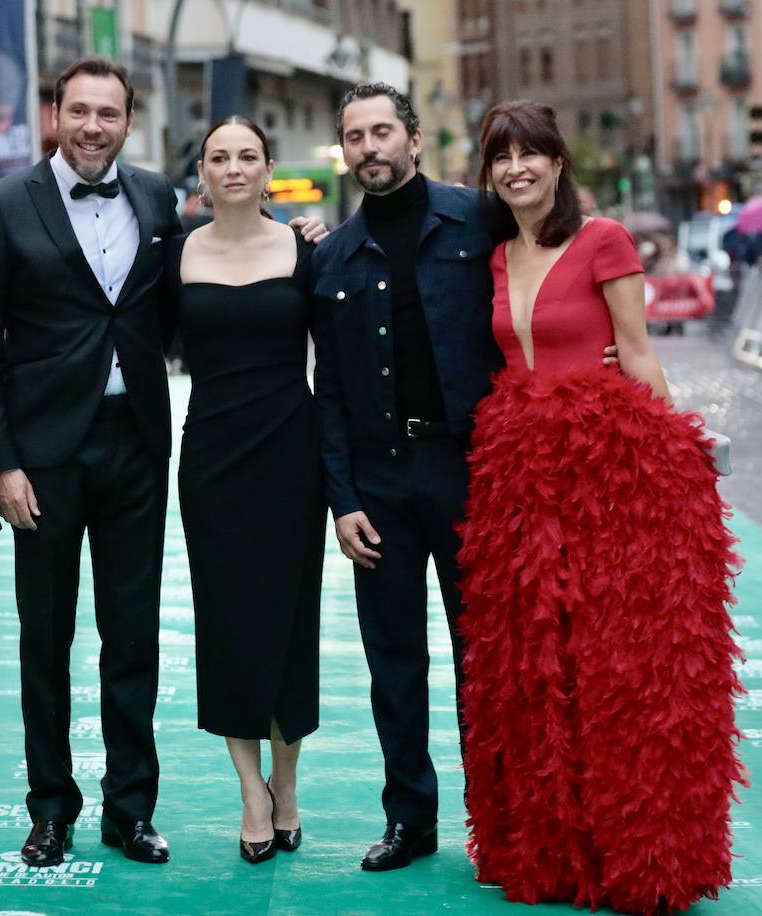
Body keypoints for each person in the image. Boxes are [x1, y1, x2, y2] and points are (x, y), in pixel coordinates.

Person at [0, 57, 323, 870]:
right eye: (79, 111)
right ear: (56, 116)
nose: (93, 127)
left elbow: (194, 295)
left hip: (138, 443)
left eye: (109, 114)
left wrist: (303, 235)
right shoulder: (4, 202)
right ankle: (50, 810)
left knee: (132, 636)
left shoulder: (157, 198)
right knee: (45, 637)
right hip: (43, 456)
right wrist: (1, 461)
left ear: (129, 122)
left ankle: (130, 810)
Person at [455, 100, 742, 914]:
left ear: (557, 162)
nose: (516, 169)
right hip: (519, 474)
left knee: (621, 659)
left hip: (605, 467)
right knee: (537, 662)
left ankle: (639, 850)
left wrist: (677, 454)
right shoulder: (497, 256)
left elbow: (638, 352)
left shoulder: (604, 239)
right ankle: (553, 849)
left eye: (530, 154)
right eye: (501, 156)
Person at [311, 83, 503, 872]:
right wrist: (342, 499)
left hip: (470, 473)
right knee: (394, 663)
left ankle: (499, 824)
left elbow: (540, 288)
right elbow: (327, 390)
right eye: (355, 136)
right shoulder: (331, 257)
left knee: (484, 659)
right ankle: (409, 820)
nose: (370, 148)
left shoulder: (478, 220)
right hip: (379, 485)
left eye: (382, 131)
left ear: (414, 139)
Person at [163, 116, 323, 865]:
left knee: (290, 621)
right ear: (202, 173)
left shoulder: (306, 250)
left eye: (247, 156)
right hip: (212, 457)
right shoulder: (174, 255)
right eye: (219, 157)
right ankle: (251, 790)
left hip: (292, 452)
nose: (233, 167)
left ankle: (287, 783)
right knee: (226, 622)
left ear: (268, 171)